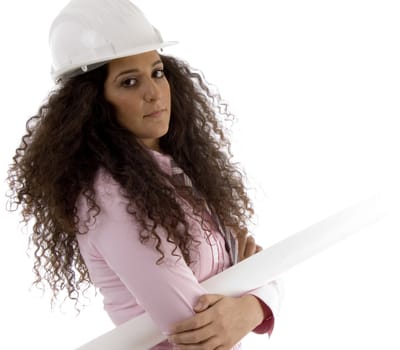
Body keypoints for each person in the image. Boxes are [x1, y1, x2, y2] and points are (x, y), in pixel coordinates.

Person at [6, 0, 282, 349]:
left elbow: (255, 266)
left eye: (157, 72)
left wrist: (254, 301)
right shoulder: (109, 198)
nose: (153, 92)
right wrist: (258, 298)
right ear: (93, 103)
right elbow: (199, 331)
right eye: (129, 82)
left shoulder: (171, 170)